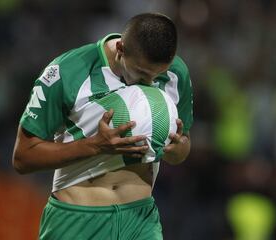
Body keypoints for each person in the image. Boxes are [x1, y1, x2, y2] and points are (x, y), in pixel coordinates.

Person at [12, 13, 193, 239]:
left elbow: (183, 145)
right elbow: (23, 158)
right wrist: (96, 146)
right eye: (142, 74)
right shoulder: (67, 71)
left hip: (141, 221)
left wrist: (177, 150)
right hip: (77, 221)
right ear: (120, 49)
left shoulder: (177, 73)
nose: (149, 83)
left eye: (157, 75)